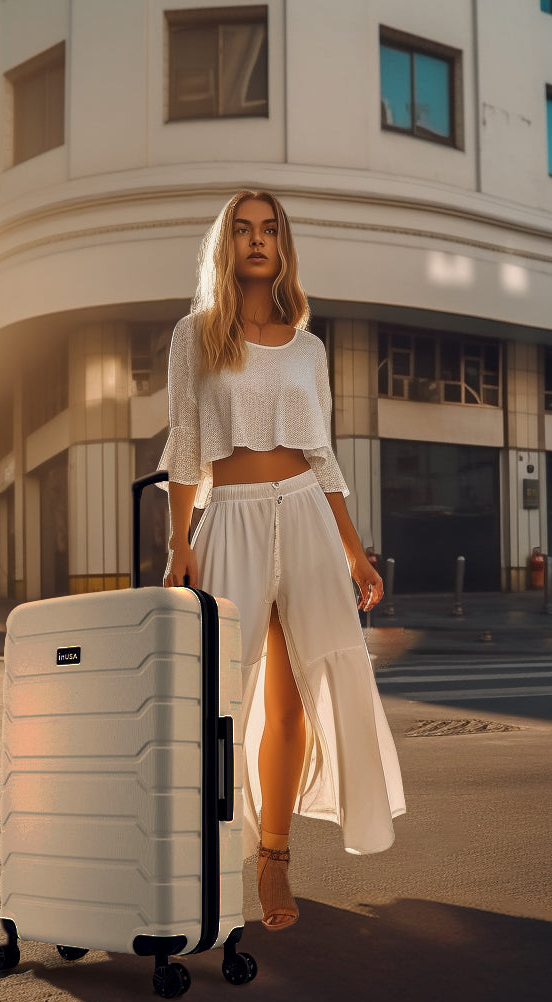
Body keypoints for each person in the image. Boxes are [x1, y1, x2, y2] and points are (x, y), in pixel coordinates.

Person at [156, 190, 406, 931]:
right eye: (243, 230)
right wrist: (178, 545)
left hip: (305, 516)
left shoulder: (309, 346)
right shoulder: (194, 336)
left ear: (284, 246)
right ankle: (199, 859)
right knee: (217, 700)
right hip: (227, 519)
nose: (257, 241)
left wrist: (355, 551)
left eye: (269, 230)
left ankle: (274, 859)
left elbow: (320, 454)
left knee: (297, 690)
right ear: (226, 246)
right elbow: (184, 444)